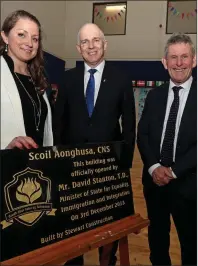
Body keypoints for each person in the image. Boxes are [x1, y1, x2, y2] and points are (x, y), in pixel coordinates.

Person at [53, 23, 136, 266]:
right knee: (73, 223)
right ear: (79, 48)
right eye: (85, 42)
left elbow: (129, 124)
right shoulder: (67, 80)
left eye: (96, 40)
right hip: (73, 168)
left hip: (108, 169)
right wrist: (59, 161)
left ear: (105, 44)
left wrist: (124, 164)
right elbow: (59, 123)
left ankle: (107, 261)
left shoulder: (121, 79)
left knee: (107, 224)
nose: (91, 46)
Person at [137, 33, 197, 266]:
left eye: (184, 57)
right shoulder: (154, 96)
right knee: (157, 243)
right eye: (173, 57)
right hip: (154, 185)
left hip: (189, 186)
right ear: (164, 62)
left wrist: (172, 171)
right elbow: (143, 135)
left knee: (191, 246)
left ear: (194, 60)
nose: (179, 63)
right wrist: (154, 167)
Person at [1, 10, 53, 149]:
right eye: (21, 34)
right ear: (5, 36)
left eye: (35, 38)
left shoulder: (37, 76)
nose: (29, 43)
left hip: (38, 165)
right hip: (8, 166)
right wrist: (7, 147)